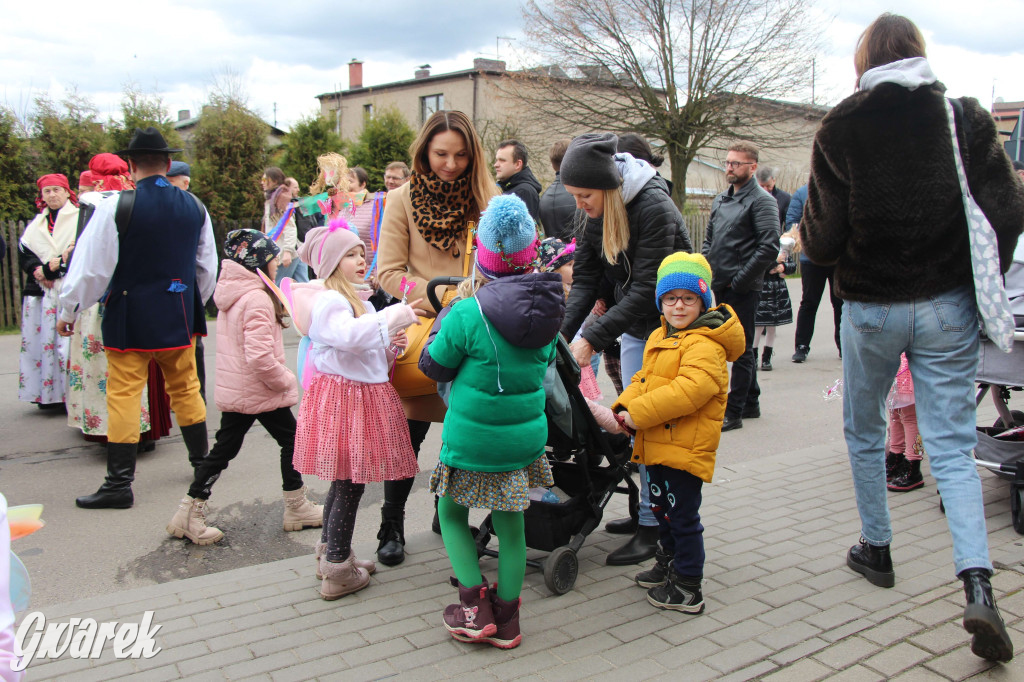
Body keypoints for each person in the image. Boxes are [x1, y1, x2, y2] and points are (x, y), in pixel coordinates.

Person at [801, 13, 1024, 663]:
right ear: (920, 54)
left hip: (871, 306)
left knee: (866, 428)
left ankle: (877, 549)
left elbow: (818, 239)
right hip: (948, 306)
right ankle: (977, 582)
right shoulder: (965, 118)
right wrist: (965, 266)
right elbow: (1007, 211)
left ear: (866, 58)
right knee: (952, 446)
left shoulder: (841, 124)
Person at [419, 193, 564, 649]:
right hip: (522, 443)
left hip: (472, 441)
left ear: (481, 259)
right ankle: (508, 619)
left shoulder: (466, 312)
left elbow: (433, 366)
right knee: (512, 525)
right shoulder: (548, 312)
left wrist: (436, 333)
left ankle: (473, 608)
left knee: (451, 512)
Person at [57, 127, 217, 510]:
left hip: (130, 315)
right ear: (166, 164)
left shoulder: (116, 206)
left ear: (130, 166)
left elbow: (91, 268)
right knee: (186, 389)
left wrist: (69, 309)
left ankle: (119, 484)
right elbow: (206, 267)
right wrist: (193, 302)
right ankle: (202, 468)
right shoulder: (195, 206)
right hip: (177, 313)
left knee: (125, 394)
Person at [558, 132, 691, 566]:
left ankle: (655, 528)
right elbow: (588, 280)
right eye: (574, 195)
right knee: (636, 422)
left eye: (584, 195)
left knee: (651, 425)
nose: (579, 204)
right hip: (638, 328)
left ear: (606, 186)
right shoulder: (599, 211)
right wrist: (561, 337)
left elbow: (647, 288)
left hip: (672, 332)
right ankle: (647, 514)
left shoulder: (653, 206)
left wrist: (591, 339)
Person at [376, 109, 499, 565]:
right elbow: (387, 272)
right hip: (423, 332)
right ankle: (391, 523)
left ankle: (446, 513)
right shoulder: (401, 199)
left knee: (460, 435)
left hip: (474, 333)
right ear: (425, 151)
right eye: (442, 153)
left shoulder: (486, 197)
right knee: (407, 435)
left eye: (461, 155)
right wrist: (443, 295)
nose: (451, 164)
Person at [166, 229, 322, 546]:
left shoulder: (237, 293)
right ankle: (294, 506)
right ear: (257, 263)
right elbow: (260, 357)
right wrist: (287, 380)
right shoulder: (256, 299)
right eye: (272, 259)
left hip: (244, 389)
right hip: (258, 390)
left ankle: (191, 510)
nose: (278, 264)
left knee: (241, 446)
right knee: (281, 441)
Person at [290, 223, 421, 599]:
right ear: (330, 263)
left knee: (344, 481)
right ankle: (337, 570)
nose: (361, 260)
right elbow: (348, 336)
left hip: (355, 395)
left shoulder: (355, 300)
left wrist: (389, 346)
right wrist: (394, 317)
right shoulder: (330, 300)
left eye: (362, 253)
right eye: (350, 254)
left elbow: (361, 350)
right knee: (350, 483)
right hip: (349, 400)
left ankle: (334, 554)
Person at [614, 253, 743, 612]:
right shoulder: (661, 335)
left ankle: (688, 585)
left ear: (703, 301)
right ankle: (667, 563)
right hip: (657, 443)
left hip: (684, 449)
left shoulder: (705, 344)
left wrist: (638, 414)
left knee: (683, 517)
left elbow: (689, 391)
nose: (678, 306)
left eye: (688, 298)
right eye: (670, 299)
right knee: (661, 510)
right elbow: (645, 380)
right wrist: (624, 407)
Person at [66, 155, 171, 450]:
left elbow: (89, 265)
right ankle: (146, 430)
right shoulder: (143, 200)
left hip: (107, 298)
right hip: (147, 297)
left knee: (115, 370)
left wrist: (69, 307)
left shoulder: (94, 204)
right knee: (143, 362)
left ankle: (117, 441)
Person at [701, 142, 780, 432]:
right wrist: (709, 267)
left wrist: (741, 280)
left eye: (737, 163)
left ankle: (733, 411)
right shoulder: (721, 199)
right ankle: (751, 402)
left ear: (753, 167)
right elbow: (710, 238)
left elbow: (769, 245)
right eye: (728, 162)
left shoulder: (762, 201)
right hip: (719, 282)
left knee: (742, 349)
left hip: (742, 287)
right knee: (728, 343)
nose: (730, 167)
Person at [18, 173, 79, 410]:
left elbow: (77, 250)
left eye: (56, 190)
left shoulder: (78, 218)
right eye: (47, 191)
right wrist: (38, 271)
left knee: (66, 344)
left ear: (66, 192)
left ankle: (68, 394)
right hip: (42, 292)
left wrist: (52, 270)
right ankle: (47, 394)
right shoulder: (38, 223)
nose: (52, 195)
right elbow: (25, 251)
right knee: (44, 343)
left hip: (67, 288)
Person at [789, 182, 842, 363]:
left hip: (837, 258)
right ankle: (801, 347)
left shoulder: (840, 188)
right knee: (809, 302)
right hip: (811, 259)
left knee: (840, 303)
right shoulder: (802, 193)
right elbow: (793, 223)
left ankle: (843, 345)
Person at [885, 354, 925, 492]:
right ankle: (895, 457)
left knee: (910, 417)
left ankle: (913, 465)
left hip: (910, 364)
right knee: (895, 412)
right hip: (895, 361)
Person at [262, 166, 308, 285]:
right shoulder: (273, 198)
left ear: (275, 181)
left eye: (265, 180)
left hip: (286, 252)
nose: (262, 183)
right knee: (302, 286)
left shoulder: (280, 198)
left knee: (278, 287)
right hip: (293, 250)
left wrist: (287, 251)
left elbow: (290, 227)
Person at [494, 139, 542, 224]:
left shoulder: (524, 191)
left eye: (502, 160)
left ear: (517, 164)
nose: (496, 165)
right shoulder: (508, 188)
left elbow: (524, 232)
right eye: (497, 160)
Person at [538, 139, 576, 240]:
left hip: (552, 254)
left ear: (552, 164)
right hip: (577, 252)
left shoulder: (544, 197)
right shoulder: (580, 195)